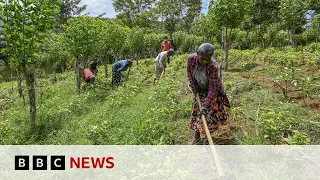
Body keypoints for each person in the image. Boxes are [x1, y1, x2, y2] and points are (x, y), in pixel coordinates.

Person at [187, 43, 230, 145]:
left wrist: (206, 105)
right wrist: (194, 87)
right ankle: (196, 137)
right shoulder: (191, 59)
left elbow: (213, 88)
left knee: (207, 115)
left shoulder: (213, 65)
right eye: (203, 59)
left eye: (208, 59)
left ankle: (207, 139)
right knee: (197, 112)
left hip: (211, 91)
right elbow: (189, 73)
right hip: (199, 88)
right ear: (197, 54)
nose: (205, 62)